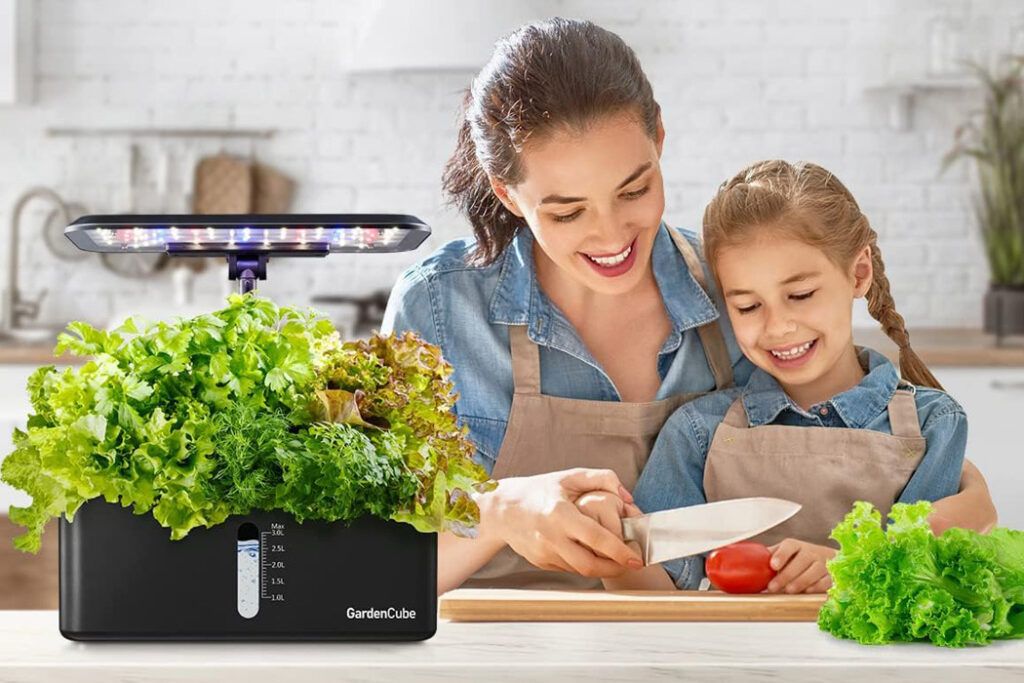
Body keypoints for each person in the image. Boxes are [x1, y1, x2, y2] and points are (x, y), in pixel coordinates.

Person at [380, 19, 996, 595]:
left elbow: (881, 454)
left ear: (660, 139)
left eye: (635, 189)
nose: (611, 234)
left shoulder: (740, 297)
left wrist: (962, 503)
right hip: (485, 655)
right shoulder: (438, 308)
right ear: (507, 193)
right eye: (567, 211)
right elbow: (370, 563)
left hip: (681, 642)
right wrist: (496, 513)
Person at [579, 160, 984, 594]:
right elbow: (657, 596)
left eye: (800, 295)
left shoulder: (933, 424)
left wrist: (849, 567)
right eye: (748, 307)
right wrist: (610, 548)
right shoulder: (698, 433)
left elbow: (928, 581)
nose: (777, 327)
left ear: (858, 273)